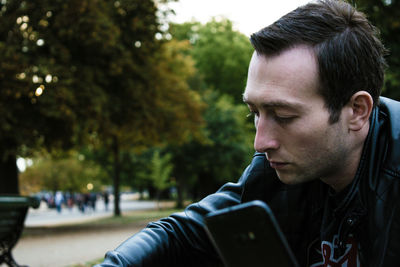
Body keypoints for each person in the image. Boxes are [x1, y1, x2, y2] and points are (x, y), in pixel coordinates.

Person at [96, 1, 400, 266]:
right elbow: (186, 232)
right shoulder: (275, 170)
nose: (261, 142)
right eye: (254, 113)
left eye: (283, 116)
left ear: (357, 110)